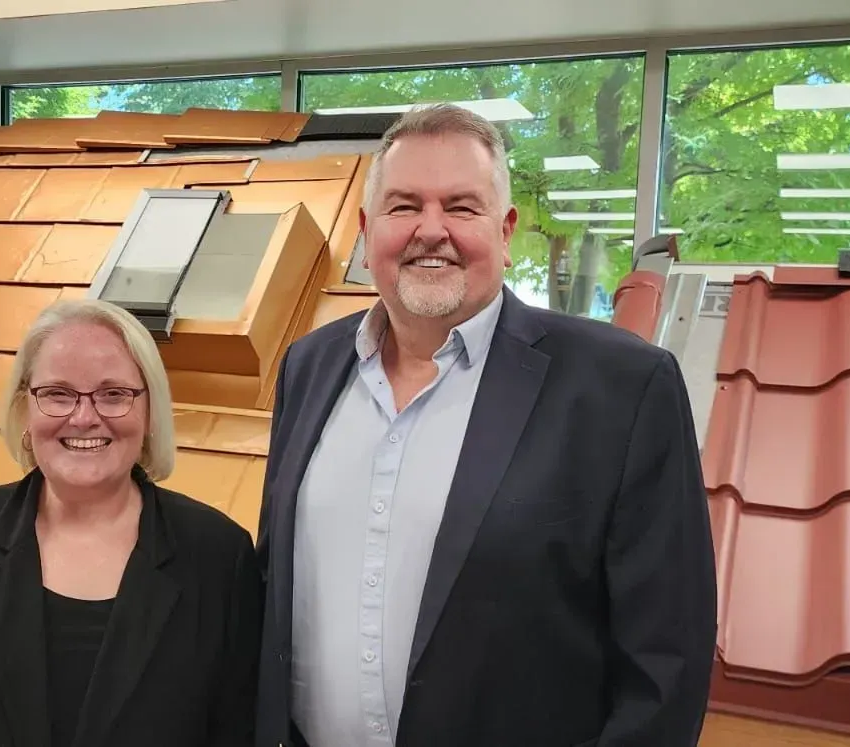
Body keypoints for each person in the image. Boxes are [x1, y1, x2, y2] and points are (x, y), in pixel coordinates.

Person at [254, 104, 718, 747]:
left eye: (462, 207)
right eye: (404, 205)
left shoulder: (622, 388)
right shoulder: (308, 367)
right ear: (367, 229)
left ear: (505, 231)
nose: (430, 230)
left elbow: (667, 660)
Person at [0, 298, 261, 747]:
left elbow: (240, 731)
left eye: (113, 393)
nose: (84, 417)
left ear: (150, 412)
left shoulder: (220, 557)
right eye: (58, 393)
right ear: (25, 408)